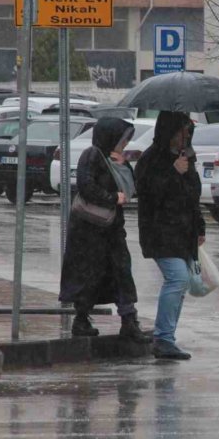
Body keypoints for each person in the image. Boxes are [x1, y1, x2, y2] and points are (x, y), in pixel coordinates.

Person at [58, 117, 149, 343]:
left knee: (122, 272)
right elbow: (85, 185)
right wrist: (111, 198)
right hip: (88, 231)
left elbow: (131, 189)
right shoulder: (92, 155)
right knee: (88, 274)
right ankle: (81, 320)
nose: (126, 143)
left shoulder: (116, 159)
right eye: (123, 138)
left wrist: (122, 165)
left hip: (112, 229)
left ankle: (129, 321)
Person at [135, 111, 206, 360]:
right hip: (160, 231)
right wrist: (172, 172)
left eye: (188, 131)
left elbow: (193, 195)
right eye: (181, 131)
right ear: (169, 131)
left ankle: (167, 337)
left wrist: (199, 227)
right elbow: (147, 194)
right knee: (177, 279)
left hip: (183, 231)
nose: (185, 136)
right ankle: (164, 339)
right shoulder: (152, 158)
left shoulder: (187, 156)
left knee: (182, 282)